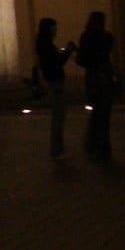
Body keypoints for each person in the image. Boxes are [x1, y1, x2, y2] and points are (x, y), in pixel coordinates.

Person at [75, 11, 117, 160]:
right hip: (104, 76)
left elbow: (81, 59)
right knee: (104, 114)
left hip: (93, 77)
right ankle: (103, 147)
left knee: (96, 113)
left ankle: (94, 145)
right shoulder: (107, 37)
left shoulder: (86, 36)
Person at [34, 17, 74, 158]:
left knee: (59, 116)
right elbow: (56, 63)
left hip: (53, 80)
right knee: (58, 117)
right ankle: (57, 150)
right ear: (48, 28)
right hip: (55, 81)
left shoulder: (43, 44)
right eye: (54, 27)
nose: (56, 30)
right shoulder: (46, 45)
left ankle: (58, 149)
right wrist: (68, 51)